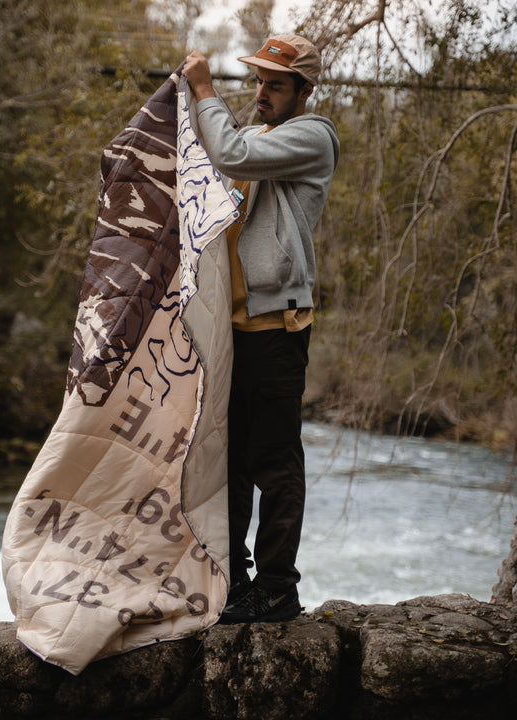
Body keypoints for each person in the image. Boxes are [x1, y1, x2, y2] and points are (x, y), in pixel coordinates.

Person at [183, 35, 340, 623]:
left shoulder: (313, 137)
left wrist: (203, 89)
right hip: (231, 330)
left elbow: (228, 154)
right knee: (231, 464)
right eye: (257, 81)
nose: (261, 93)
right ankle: (234, 582)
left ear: (304, 90)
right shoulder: (255, 138)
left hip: (278, 328)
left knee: (275, 461)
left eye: (275, 84)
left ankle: (278, 590)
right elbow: (213, 156)